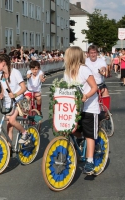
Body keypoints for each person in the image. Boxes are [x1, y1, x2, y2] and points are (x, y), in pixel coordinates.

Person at [63, 46, 99, 175]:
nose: (64, 58)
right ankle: (80, 140)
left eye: (66, 55)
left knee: (89, 134)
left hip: (89, 107)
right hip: (74, 107)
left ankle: (90, 161)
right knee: (71, 129)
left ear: (72, 56)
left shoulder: (84, 70)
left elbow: (94, 87)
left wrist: (86, 96)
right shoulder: (67, 72)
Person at [0, 54, 29, 144]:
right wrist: (2, 95)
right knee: (9, 127)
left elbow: (23, 88)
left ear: (3, 63)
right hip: (8, 103)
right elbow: (4, 89)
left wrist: (15, 95)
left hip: (18, 101)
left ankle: (25, 133)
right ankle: (9, 149)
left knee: (12, 120)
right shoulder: (0, 76)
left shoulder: (15, 72)